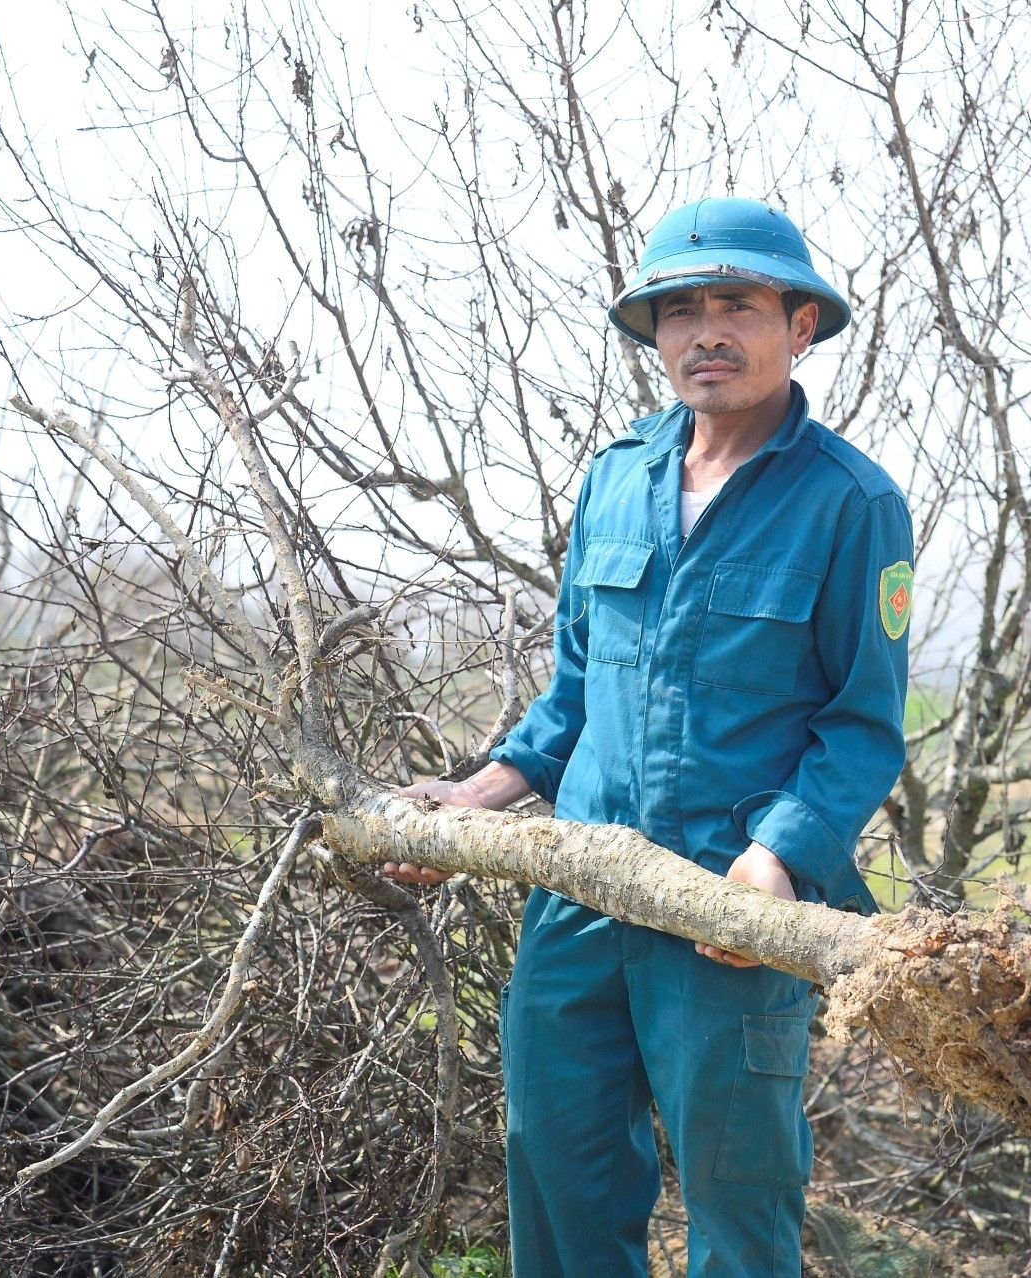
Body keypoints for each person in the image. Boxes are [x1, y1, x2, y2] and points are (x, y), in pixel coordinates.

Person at [383, 197, 913, 1278]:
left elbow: (860, 729)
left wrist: (773, 865)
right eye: (678, 310)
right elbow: (577, 690)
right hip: (578, 892)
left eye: (736, 304)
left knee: (738, 1208)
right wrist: (473, 799)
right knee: (557, 1174)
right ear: (654, 334)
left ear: (799, 324)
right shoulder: (617, 477)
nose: (704, 330)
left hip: (728, 907)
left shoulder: (851, 504)